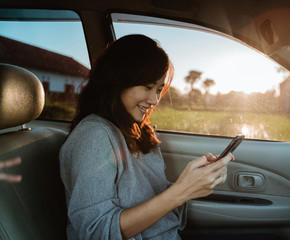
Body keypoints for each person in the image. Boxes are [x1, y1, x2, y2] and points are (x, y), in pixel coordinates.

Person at [60, 34, 233, 240]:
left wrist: (193, 182)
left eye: (159, 90)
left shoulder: (138, 130)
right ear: (117, 80)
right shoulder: (94, 136)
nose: (154, 99)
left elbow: (148, 195)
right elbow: (94, 233)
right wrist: (180, 191)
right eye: (147, 87)